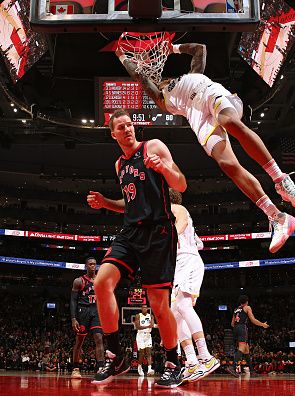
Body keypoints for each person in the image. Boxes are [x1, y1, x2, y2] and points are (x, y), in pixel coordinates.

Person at [116, 42, 295, 253]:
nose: (163, 82)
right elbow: (142, 77)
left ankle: (281, 181)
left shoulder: (193, 75)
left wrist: (172, 48)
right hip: (197, 118)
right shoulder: (162, 99)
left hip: (210, 93)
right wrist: (122, 57)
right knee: (228, 165)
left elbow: (200, 48)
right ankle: (278, 217)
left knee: (229, 121)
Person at [86, 108, 187, 387]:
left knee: (158, 303)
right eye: (121, 127)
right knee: (102, 282)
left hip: (159, 231)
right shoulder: (119, 165)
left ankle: (172, 361)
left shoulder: (153, 147)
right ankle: (116, 355)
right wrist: (106, 203)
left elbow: (182, 183)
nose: (127, 129)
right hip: (131, 232)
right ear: (113, 134)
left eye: (130, 124)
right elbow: (128, 204)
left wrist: (164, 168)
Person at [168, 189, 220, 384]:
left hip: (188, 262)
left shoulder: (176, 208)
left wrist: (172, 237)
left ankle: (206, 357)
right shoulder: (167, 215)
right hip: (180, 266)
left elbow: (181, 224)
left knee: (183, 307)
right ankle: (191, 361)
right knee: (174, 314)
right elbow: (200, 244)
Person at [70, 257, 104, 378]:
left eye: (94, 264)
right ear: (86, 266)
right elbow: (73, 300)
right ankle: (75, 368)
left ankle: (101, 367)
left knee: (99, 338)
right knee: (79, 341)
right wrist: (73, 318)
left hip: (96, 311)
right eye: (90, 264)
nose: (92, 266)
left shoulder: (100, 280)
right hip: (83, 311)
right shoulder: (79, 281)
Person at [229, 295, 269, 376]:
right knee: (242, 348)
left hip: (235, 328)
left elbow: (232, 323)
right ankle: (232, 367)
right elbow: (253, 320)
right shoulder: (247, 307)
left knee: (246, 350)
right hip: (242, 328)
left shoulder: (236, 309)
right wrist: (262, 325)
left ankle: (252, 371)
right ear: (246, 301)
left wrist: (238, 327)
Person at [133, 305, 156, 377]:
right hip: (140, 335)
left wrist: (150, 326)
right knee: (142, 353)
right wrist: (147, 326)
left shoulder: (151, 316)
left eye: (146, 308)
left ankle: (149, 369)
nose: (144, 309)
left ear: (147, 309)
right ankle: (139, 367)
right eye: (143, 307)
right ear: (141, 309)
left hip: (148, 335)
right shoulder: (138, 316)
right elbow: (137, 327)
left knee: (149, 352)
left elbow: (152, 325)